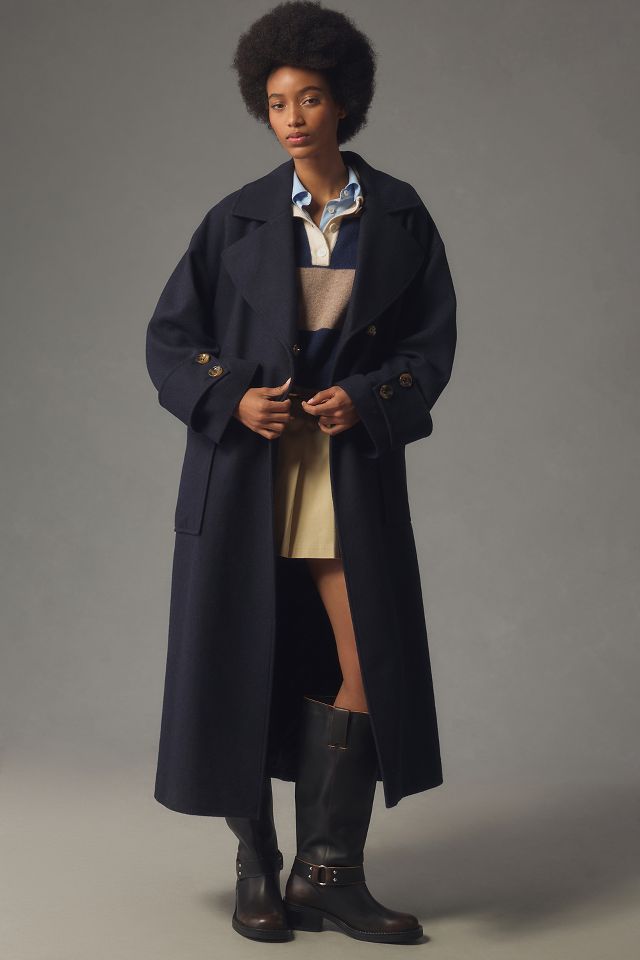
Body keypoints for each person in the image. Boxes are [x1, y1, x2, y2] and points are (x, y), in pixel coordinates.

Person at [145, 0, 457, 945]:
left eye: (310, 98)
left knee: (367, 663)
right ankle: (257, 866)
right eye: (278, 101)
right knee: (242, 661)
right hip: (244, 477)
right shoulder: (233, 218)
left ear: (343, 101)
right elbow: (170, 341)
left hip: (343, 473)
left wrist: (364, 397)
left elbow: (429, 347)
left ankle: (327, 873)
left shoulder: (399, 215)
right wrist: (233, 397)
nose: (292, 117)